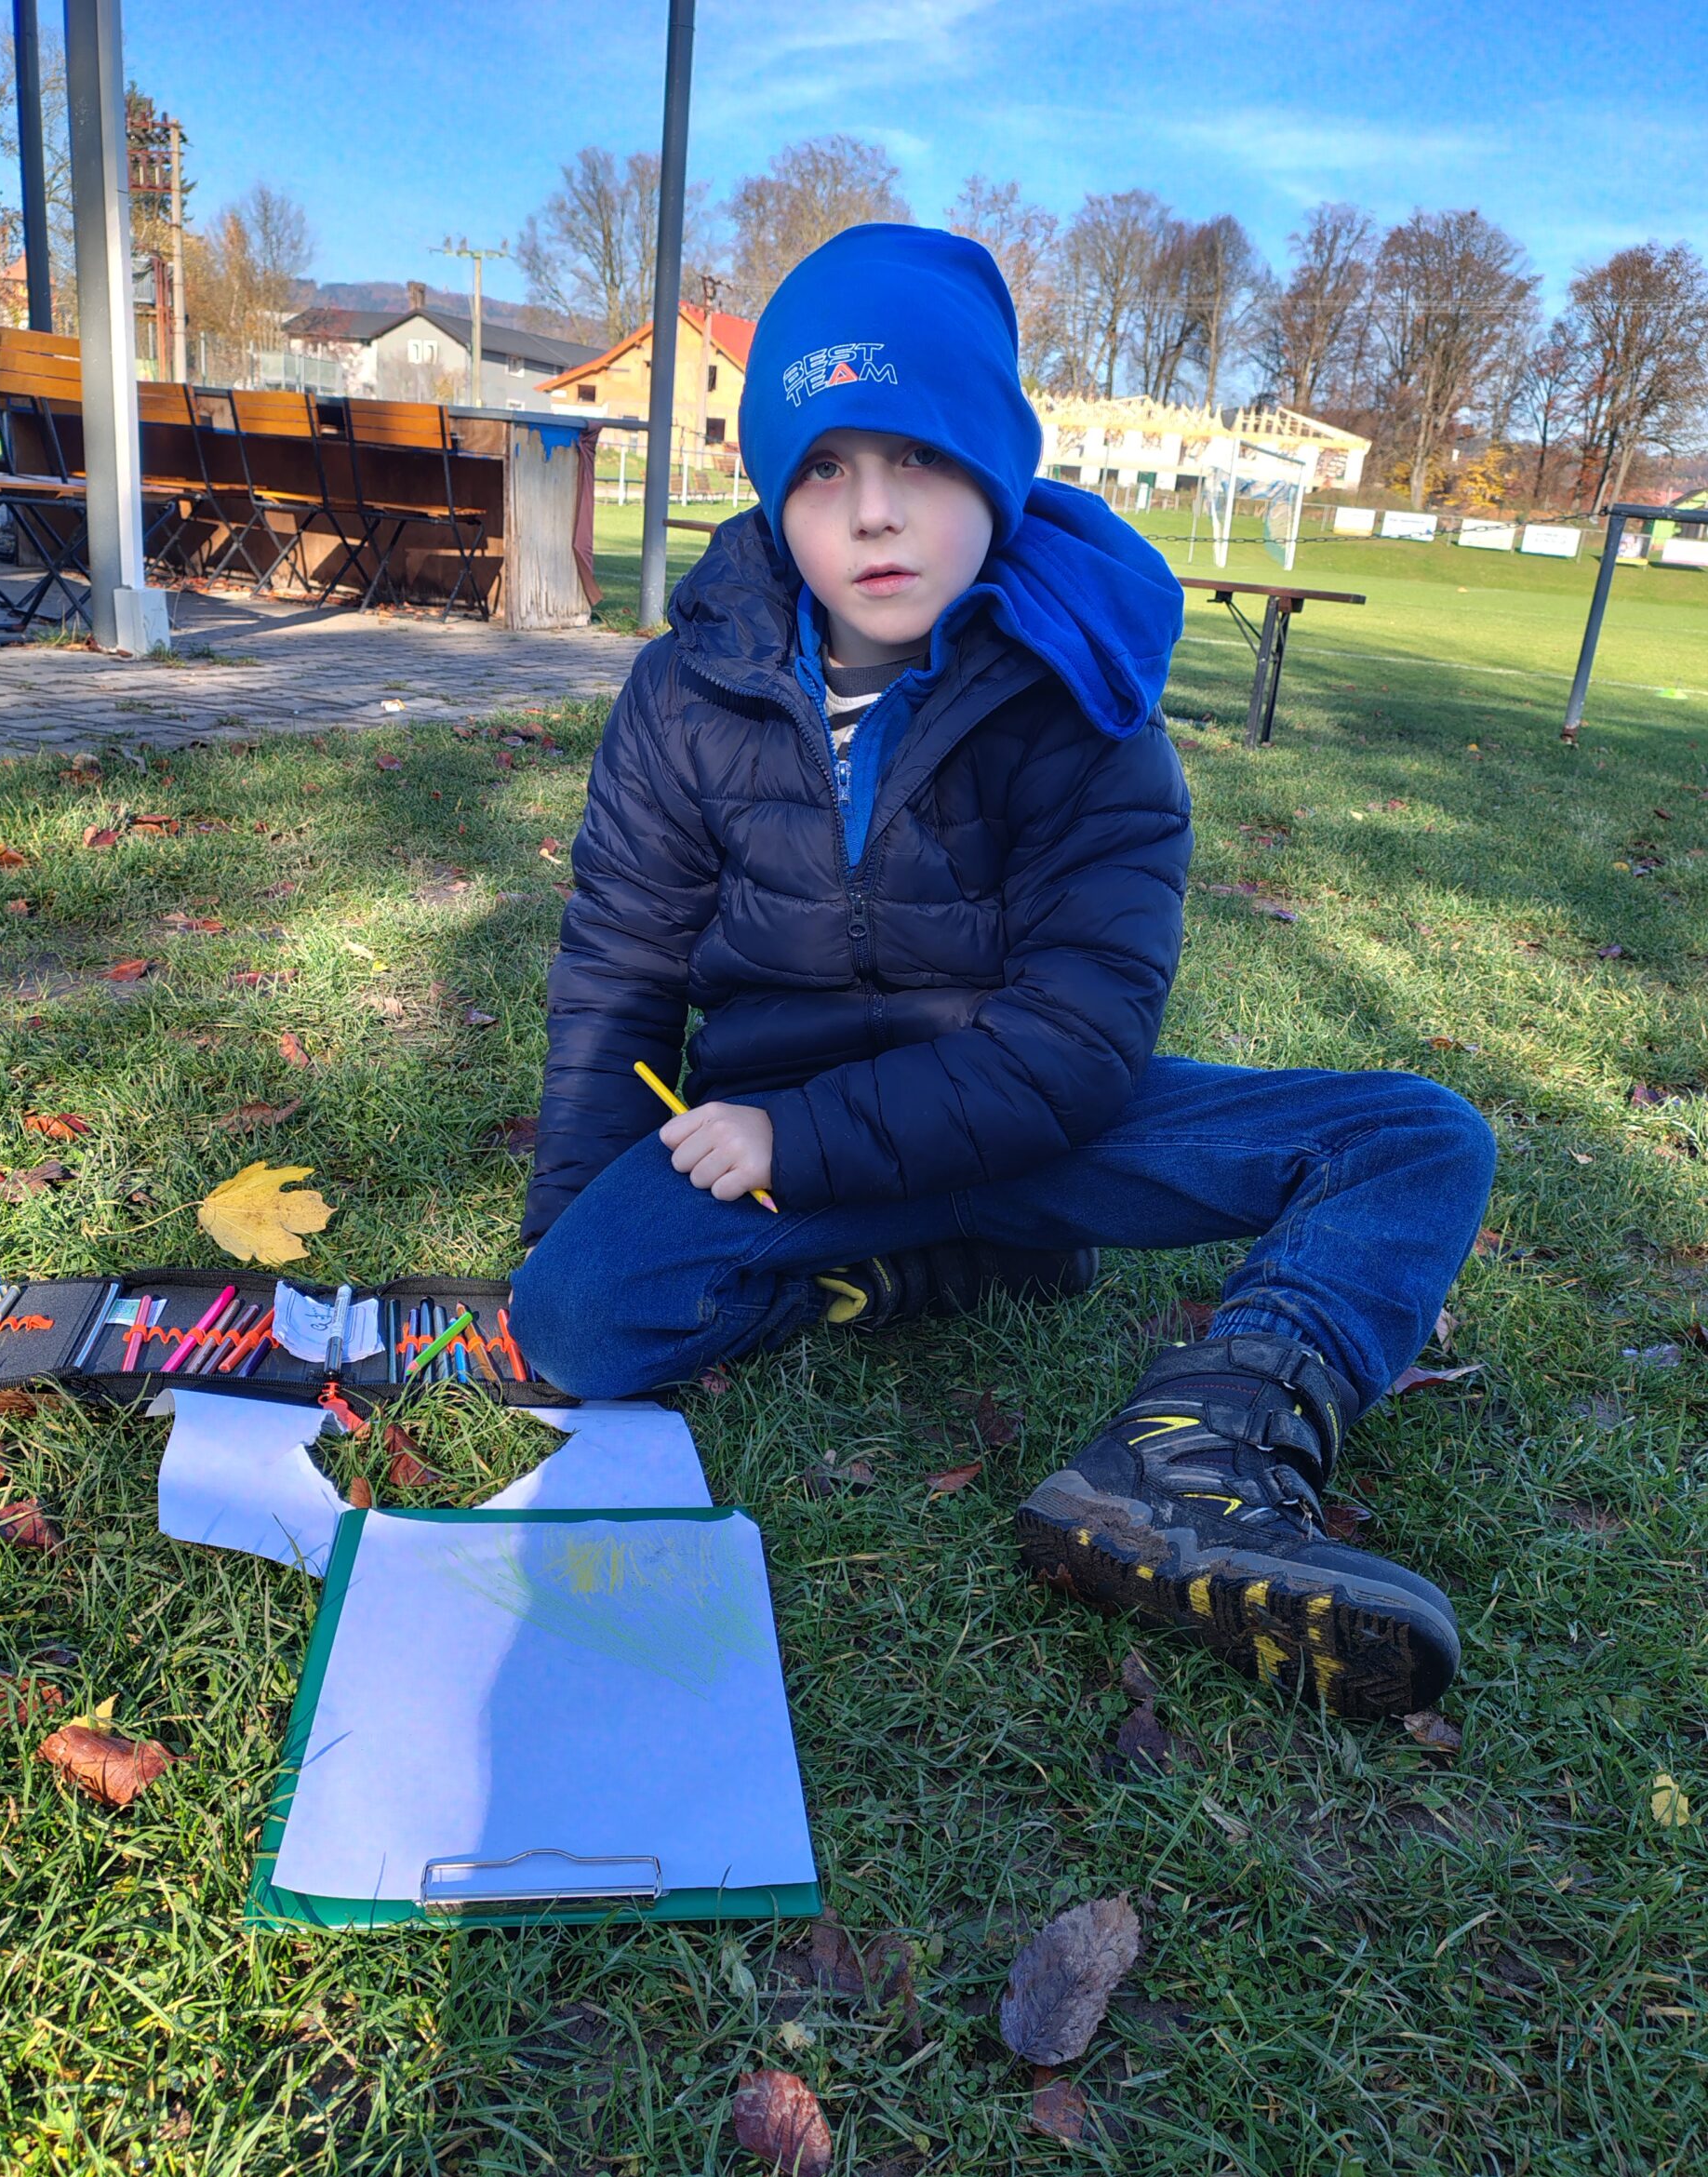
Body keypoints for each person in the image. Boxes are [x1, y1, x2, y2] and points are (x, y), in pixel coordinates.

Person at [507, 224, 1495, 1722]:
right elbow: (619, 965)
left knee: (1418, 1138)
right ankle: (935, 1266)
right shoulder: (682, 691)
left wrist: (798, 1138)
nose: (874, 510)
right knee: (578, 1320)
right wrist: (572, 1230)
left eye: (923, 456)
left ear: (998, 469)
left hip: (1031, 1123)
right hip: (785, 1153)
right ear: (774, 493)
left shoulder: (1086, 697)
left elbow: (1080, 1043)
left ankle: (1203, 1447)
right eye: (823, 468)